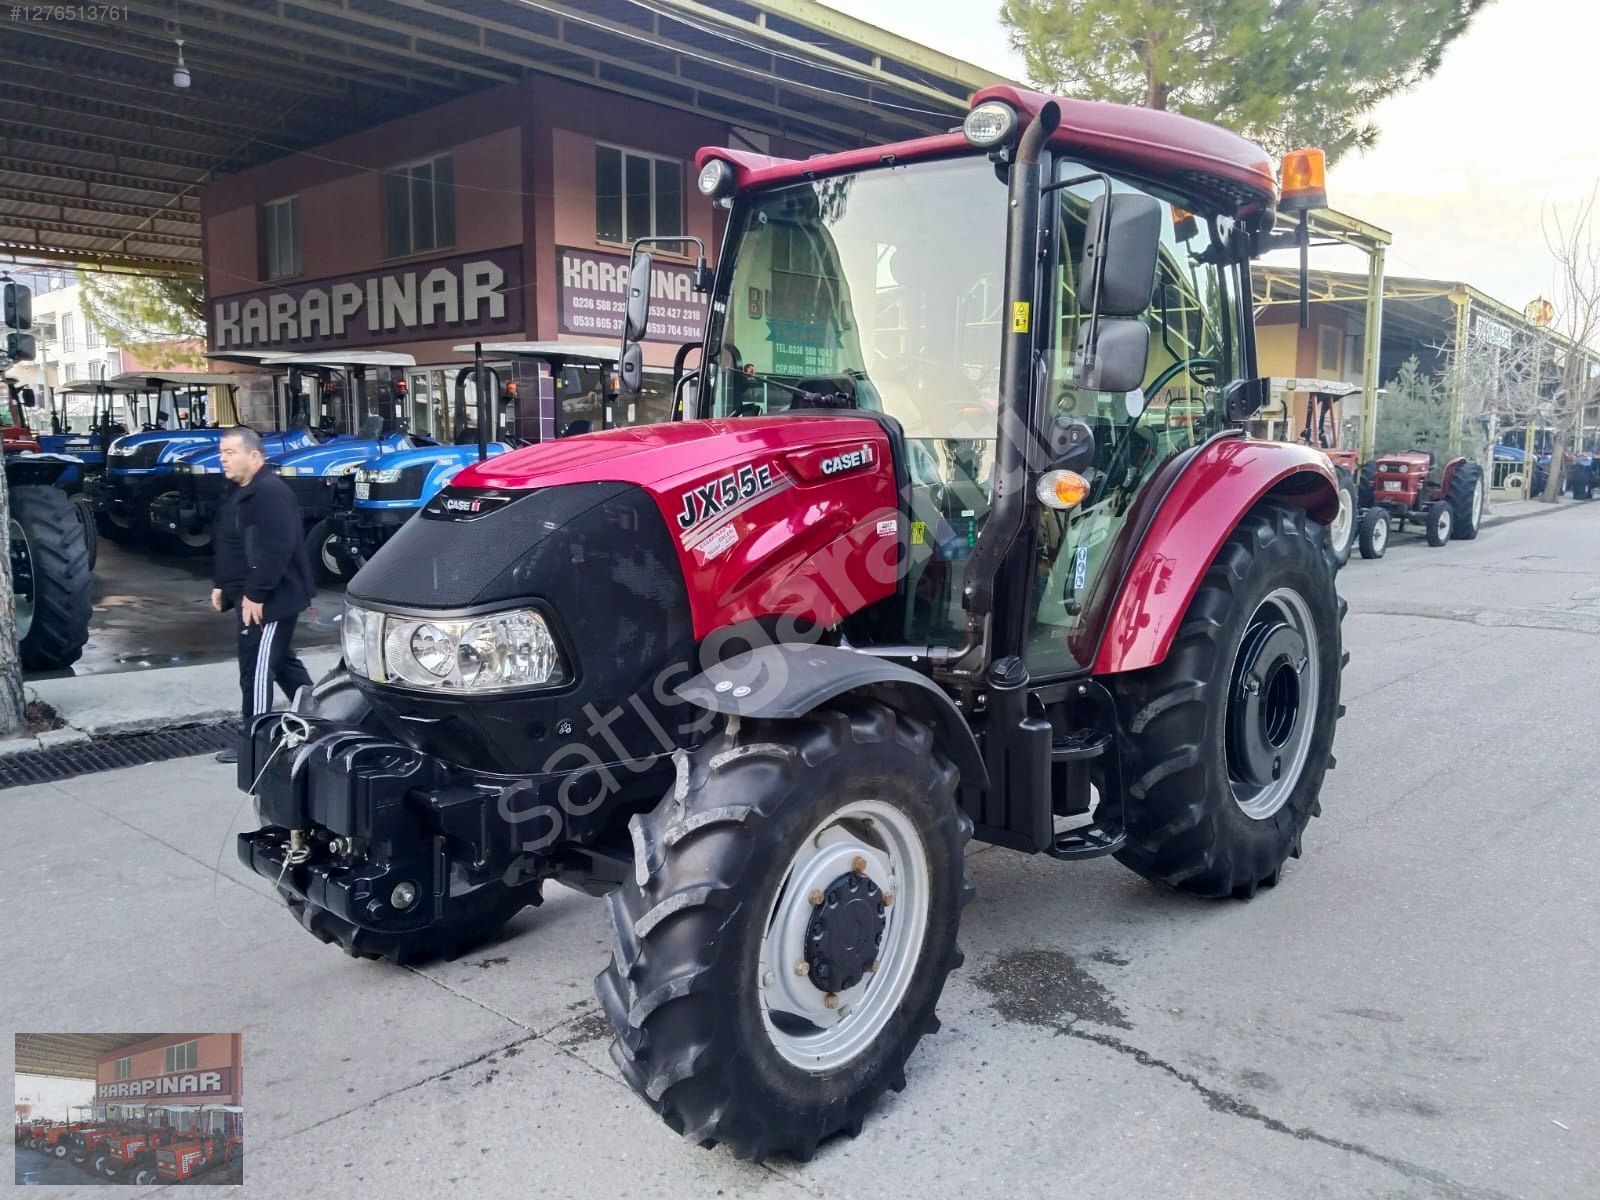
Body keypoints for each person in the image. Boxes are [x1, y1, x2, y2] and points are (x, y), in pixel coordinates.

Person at [211, 426, 314, 764]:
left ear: (254, 456)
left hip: (269, 600)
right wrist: (222, 584)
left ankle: (254, 744)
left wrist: (256, 594)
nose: (223, 459)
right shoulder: (240, 491)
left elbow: (277, 549)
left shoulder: (270, 493)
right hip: (251, 596)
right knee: (282, 664)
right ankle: (318, 721)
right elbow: (232, 542)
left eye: (231, 453)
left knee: (256, 670)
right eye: (222, 452)